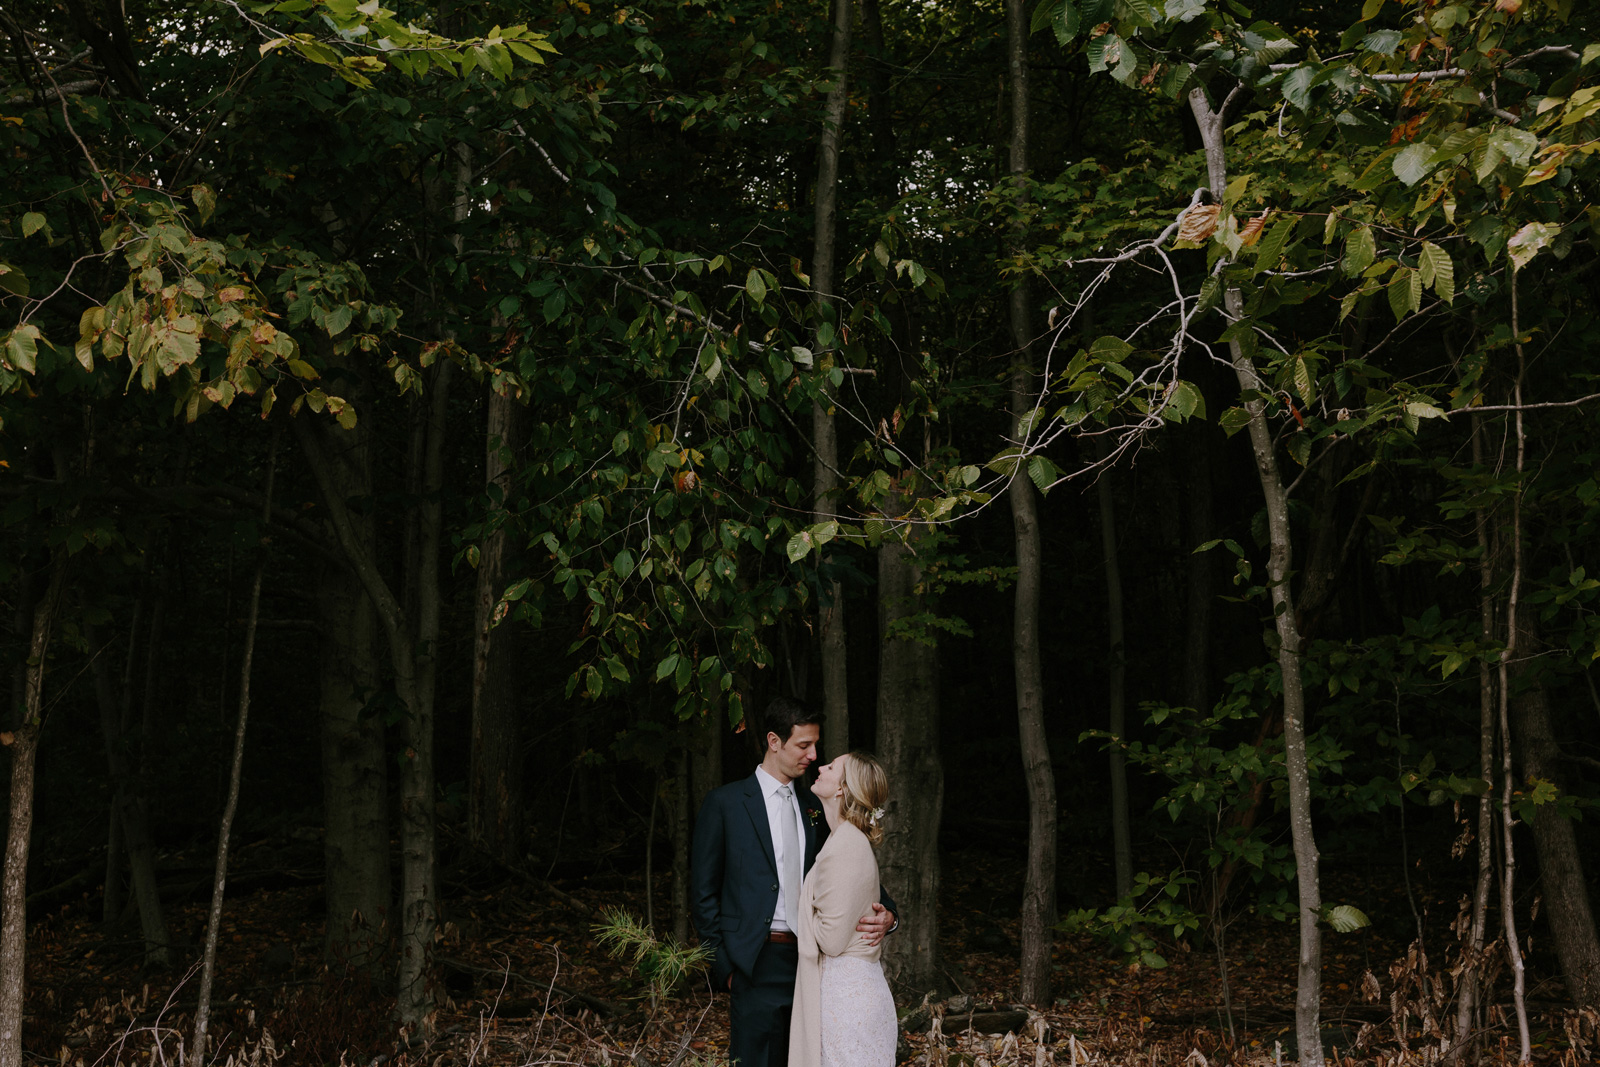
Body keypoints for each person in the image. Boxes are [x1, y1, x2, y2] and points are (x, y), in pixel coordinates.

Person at [690, 697, 897, 1067]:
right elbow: (703, 894)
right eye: (804, 745)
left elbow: (856, 878)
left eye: (816, 745)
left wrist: (889, 917)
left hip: (814, 963)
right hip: (753, 963)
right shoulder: (725, 803)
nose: (814, 755)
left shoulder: (818, 808)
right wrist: (727, 968)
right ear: (774, 742)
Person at [787, 751, 897, 1067]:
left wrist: (804, 905)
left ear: (842, 789)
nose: (820, 766)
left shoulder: (845, 846)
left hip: (847, 1000)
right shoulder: (844, 839)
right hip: (847, 991)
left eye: (832, 766)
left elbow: (831, 940)